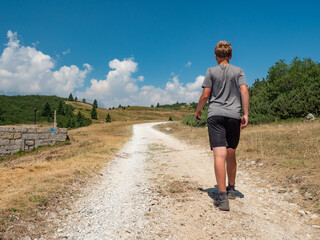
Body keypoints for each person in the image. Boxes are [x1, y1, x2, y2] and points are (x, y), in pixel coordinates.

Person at [195, 41, 249, 211]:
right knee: (231, 153)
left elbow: (205, 95)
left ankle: (222, 198)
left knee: (219, 155)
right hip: (234, 116)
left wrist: (198, 110)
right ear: (230, 56)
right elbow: (244, 90)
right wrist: (245, 113)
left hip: (216, 115)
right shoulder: (238, 70)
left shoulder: (211, 71)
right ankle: (231, 189)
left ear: (216, 56)